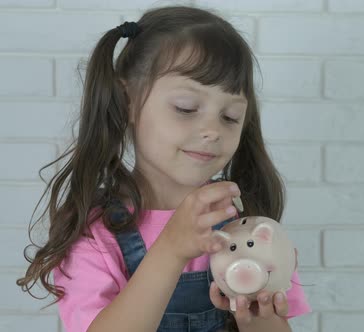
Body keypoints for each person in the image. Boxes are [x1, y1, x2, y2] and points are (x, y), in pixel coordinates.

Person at [16, 5, 311, 332]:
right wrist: (171, 250)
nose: (212, 129)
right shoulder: (95, 233)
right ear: (127, 100)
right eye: (186, 108)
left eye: (230, 116)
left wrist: (260, 319)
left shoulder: (248, 228)